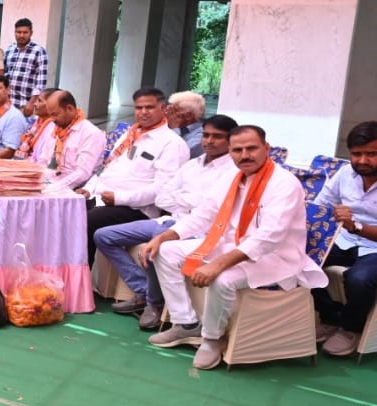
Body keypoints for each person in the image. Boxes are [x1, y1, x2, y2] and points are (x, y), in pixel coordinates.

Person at [142, 125, 327, 370]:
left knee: (223, 279)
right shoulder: (230, 177)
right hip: (230, 245)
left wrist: (218, 264)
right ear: (230, 152)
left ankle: (211, 339)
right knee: (165, 251)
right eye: (237, 150)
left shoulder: (284, 183)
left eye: (252, 148)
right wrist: (166, 235)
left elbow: (269, 237)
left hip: (274, 258)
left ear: (266, 148)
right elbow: (204, 215)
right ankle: (186, 323)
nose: (245, 155)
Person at [93, 114, 238, 328]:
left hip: (199, 231)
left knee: (157, 246)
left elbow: (209, 207)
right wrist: (187, 202)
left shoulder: (233, 171)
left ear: (230, 140)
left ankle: (154, 304)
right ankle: (143, 291)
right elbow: (162, 196)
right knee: (104, 235)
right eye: (206, 135)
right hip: (170, 220)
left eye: (217, 137)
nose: (209, 141)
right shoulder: (193, 165)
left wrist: (181, 200)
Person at [79, 87, 190, 267]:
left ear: (164, 109)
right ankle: (59, 272)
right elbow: (106, 167)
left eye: (149, 107)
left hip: (137, 209)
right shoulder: (129, 135)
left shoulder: (172, 144)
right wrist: (89, 188)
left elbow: (162, 189)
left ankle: (81, 279)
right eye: (139, 108)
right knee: (65, 210)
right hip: (102, 198)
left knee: (87, 220)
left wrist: (119, 198)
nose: (143, 112)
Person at [311, 121, 377, 356]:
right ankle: (331, 317)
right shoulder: (346, 173)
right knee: (302, 260)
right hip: (344, 239)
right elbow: (321, 206)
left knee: (359, 278)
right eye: (356, 154)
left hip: (374, 247)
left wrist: (355, 226)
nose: (362, 161)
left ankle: (351, 328)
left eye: (372, 154)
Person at [34, 90, 105, 191]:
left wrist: (53, 188)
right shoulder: (56, 130)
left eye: (55, 114)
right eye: (50, 115)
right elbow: (43, 161)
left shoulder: (90, 133)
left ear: (70, 109)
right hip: (50, 183)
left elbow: (82, 173)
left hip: (74, 190)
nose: (52, 120)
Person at [3, 18, 49, 114]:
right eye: (18, 32)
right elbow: (4, 76)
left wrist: (32, 103)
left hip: (25, 105)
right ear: (14, 32)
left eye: (25, 32)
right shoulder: (9, 50)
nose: (21, 35)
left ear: (31, 33)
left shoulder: (39, 51)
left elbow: (41, 82)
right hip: (8, 104)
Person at [15, 87, 58, 162]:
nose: (34, 104)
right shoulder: (37, 121)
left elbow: (41, 160)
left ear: (52, 105)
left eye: (39, 101)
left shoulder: (52, 127)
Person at [166, 91, 207, 158]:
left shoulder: (203, 134)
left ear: (189, 116)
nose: (168, 113)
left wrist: (174, 128)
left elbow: (176, 154)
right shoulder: (167, 127)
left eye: (174, 111)